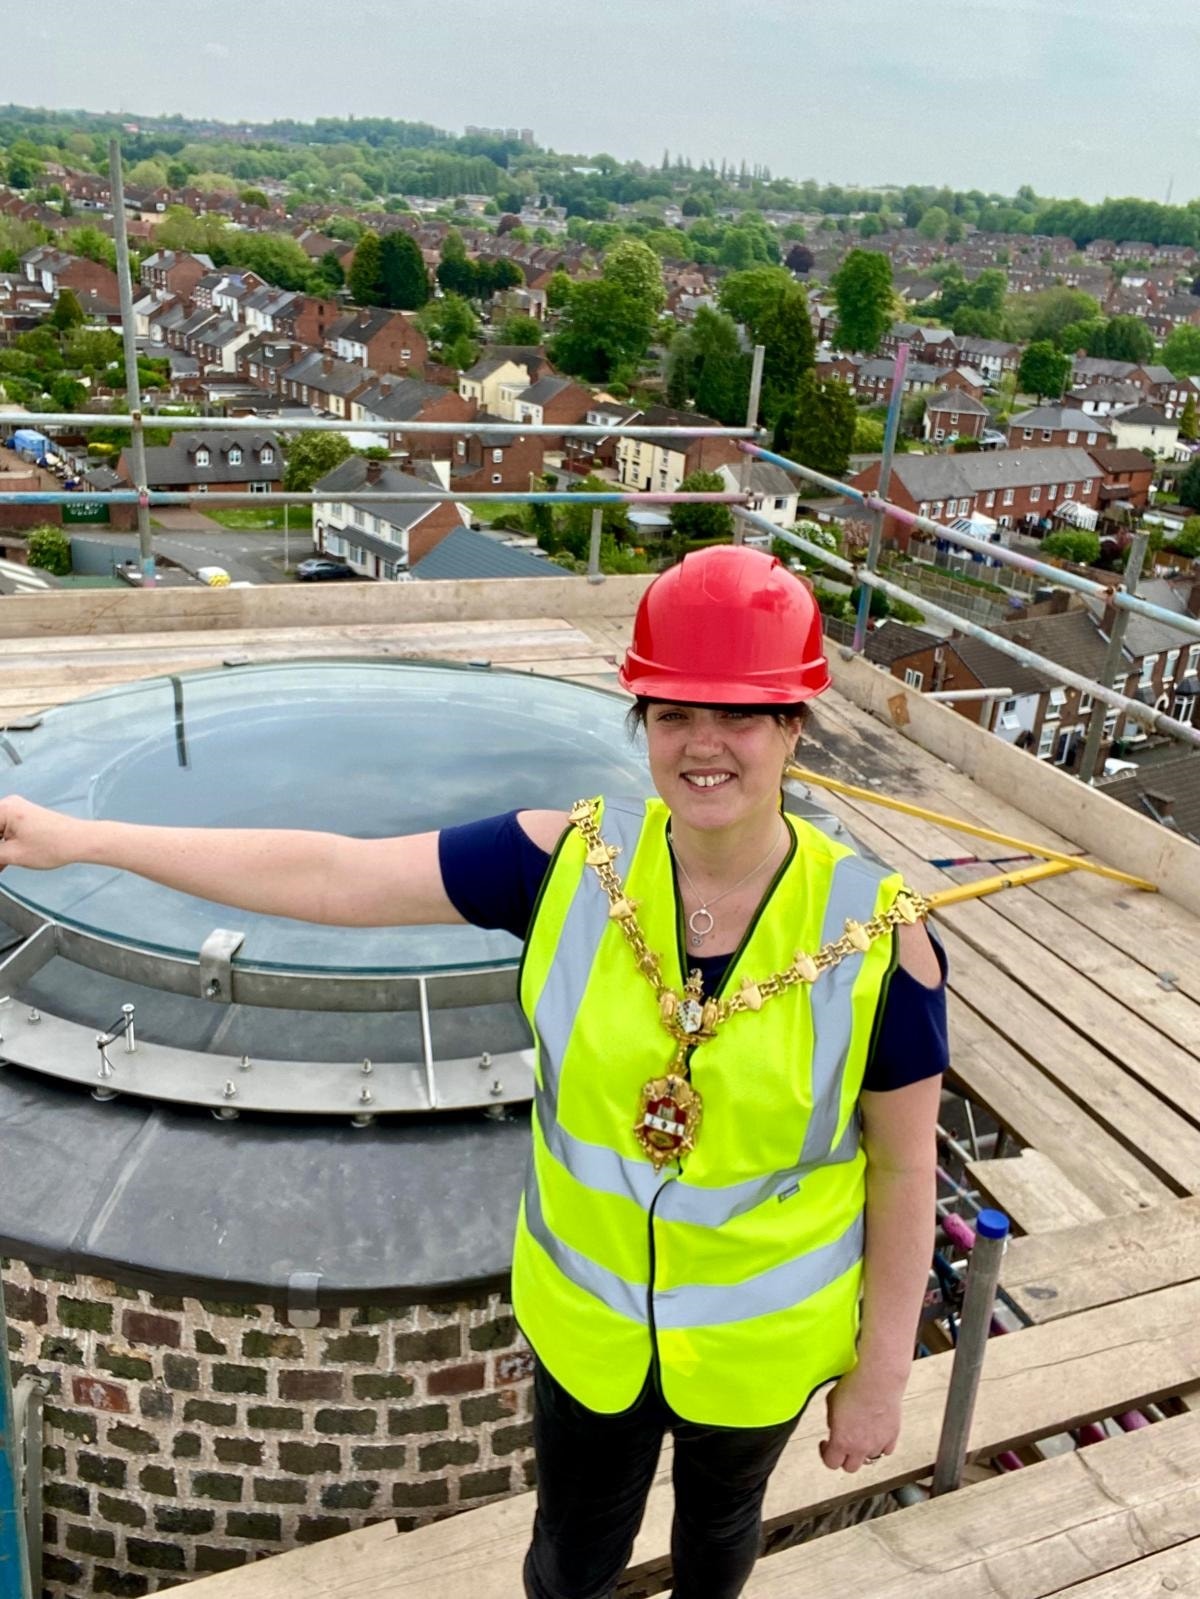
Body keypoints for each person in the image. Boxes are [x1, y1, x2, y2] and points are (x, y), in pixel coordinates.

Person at [0, 546, 946, 1599]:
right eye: (673, 713)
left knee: (721, 1534)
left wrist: (882, 1373)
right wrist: (72, 835)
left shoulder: (879, 939)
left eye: (740, 713)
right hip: (588, 1332)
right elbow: (331, 874)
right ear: (640, 721)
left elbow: (906, 1172)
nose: (704, 744)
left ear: (793, 728)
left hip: (762, 1348)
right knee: (573, 1555)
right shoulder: (565, 866)